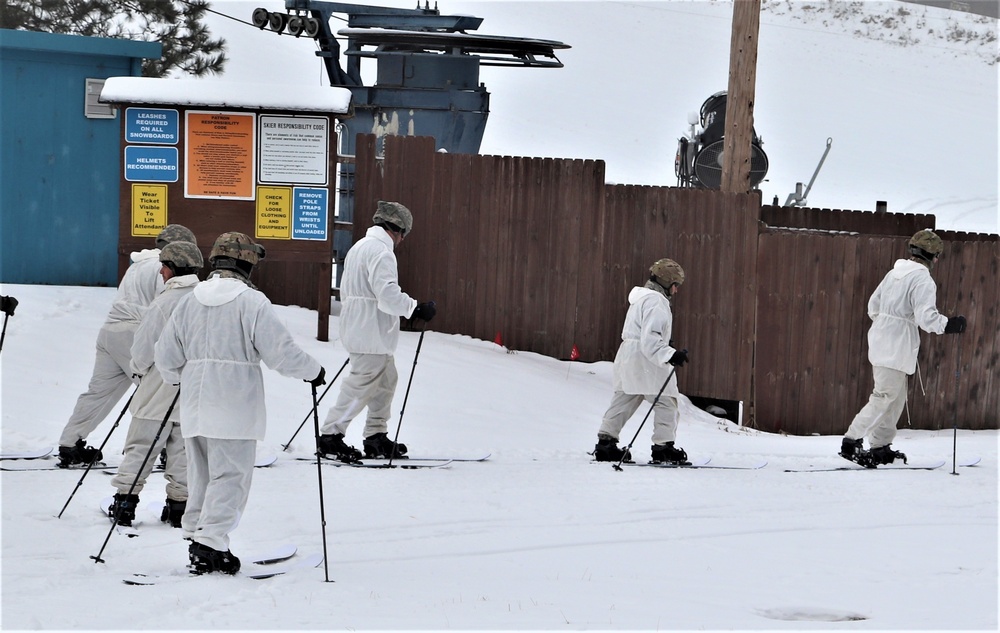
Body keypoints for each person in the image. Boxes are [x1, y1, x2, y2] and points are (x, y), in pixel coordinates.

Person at [155, 231, 325, 575]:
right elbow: (281, 353)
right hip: (233, 406)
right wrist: (313, 371)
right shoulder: (251, 302)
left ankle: (199, 535)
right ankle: (211, 543)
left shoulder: (189, 300)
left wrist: (180, 379)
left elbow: (165, 355)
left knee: (201, 474)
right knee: (230, 477)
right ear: (247, 264)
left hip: (195, 405)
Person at [56, 225, 197, 468]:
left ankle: (70, 445)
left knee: (99, 393)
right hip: (137, 334)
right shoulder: (163, 268)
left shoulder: (138, 264)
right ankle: (170, 452)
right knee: (163, 394)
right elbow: (166, 307)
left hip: (110, 333)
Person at [317, 201, 437, 462]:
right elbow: (387, 294)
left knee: (386, 381)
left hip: (364, 329)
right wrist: (415, 309)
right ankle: (330, 436)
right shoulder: (382, 252)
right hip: (370, 332)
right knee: (360, 386)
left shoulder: (360, 247)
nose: (403, 240)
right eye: (404, 234)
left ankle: (375, 435)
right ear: (397, 229)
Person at [840, 229, 967, 467]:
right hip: (896, 344)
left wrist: (886, 326)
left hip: (882, 340)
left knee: (895, 398)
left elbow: (873, 306)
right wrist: (949, 324)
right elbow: (926, 318)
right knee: (884, 395)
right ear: (932, 256)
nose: (938, 260)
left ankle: (880, 446)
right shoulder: (922, 279)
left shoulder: (893, 274)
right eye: (938, 255)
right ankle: (851, 442)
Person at [108, 241, 203, 528]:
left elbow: (143, 347)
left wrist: (138, 372)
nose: (160, 271)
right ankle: (179, 507)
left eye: (164, 265)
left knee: (141, 446)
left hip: (158, 387)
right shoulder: (203, 298)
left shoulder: (164, 302)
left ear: (174, 268)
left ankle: (125, 502)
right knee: (184, 451)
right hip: (193, 389)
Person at [592, 258, 690, 465]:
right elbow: (651, 337)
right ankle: (663, 448)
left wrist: (664, 342)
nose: (676, 291)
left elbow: (642, 331)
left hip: (628, 354)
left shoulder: (640, 299)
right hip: (646, 358)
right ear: (668, 282)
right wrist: (670, 354)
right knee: (667, 400)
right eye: (676, 285)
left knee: (626, 396)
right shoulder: (657, 302)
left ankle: (605, 444)